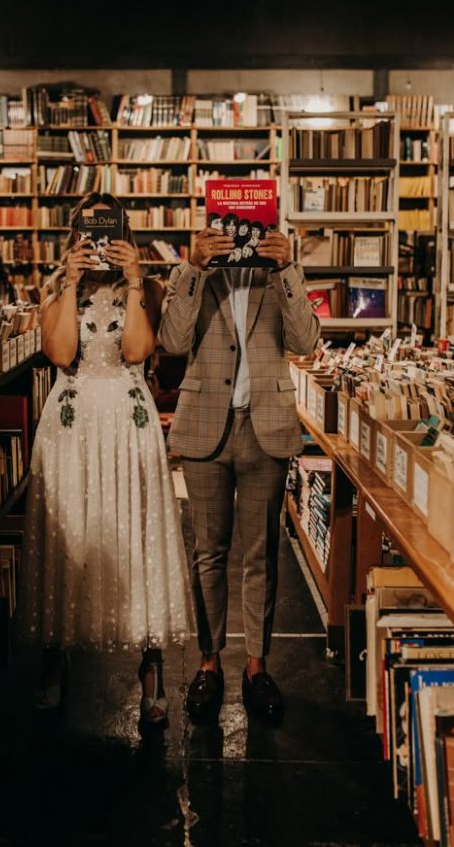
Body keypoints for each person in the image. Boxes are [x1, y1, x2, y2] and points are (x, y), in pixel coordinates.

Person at [15, 192, 192, 727]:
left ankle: (152, 668)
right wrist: (69, 282)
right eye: (87, 234)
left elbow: (138, 352)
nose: (97, 245)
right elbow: (61, 353)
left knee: (136, 533)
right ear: (74, 238)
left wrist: (136, 279)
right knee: (69, 530)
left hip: (127, 421)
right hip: (72, 426)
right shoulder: (54, 290)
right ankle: (55, 657)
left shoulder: (149, 289)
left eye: (107, 233)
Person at [158, 223, 320, 724]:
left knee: (261, 554)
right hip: (207, 423)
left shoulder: (279, 273)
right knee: (208, 552)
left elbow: (306, 341)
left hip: (265, 426)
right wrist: (193, 267)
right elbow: (172, 339)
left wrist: (288, 266)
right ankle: (209, 663)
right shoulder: (194, 273)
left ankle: (256, 666)